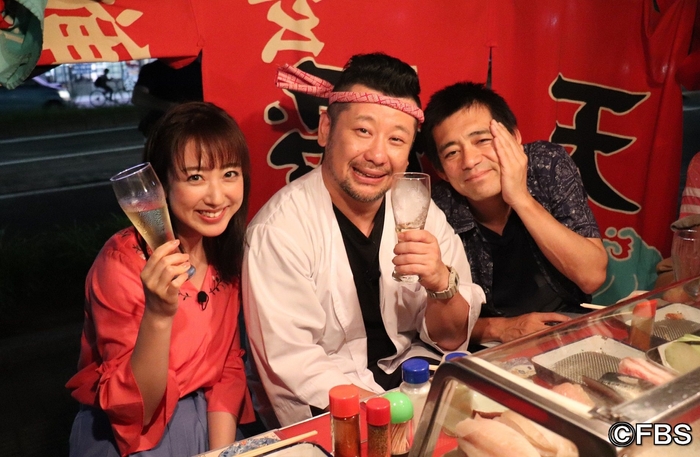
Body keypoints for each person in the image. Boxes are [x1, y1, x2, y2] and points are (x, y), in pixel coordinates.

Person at [242, 53, 485, 427]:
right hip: (337, 411)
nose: (377, 155)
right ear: (326, 129)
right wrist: (396, 418)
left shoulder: (418, 210)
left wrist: (441, 284)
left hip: (413, 384)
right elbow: (295, 366)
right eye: (363, 131)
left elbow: (451, 338)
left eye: (396, 139)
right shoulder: (279, 231)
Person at [67, 102, 255, 457]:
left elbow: (227, 367)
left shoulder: (225, 251)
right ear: (160, 185)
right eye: (195, 177)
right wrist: (158, 313)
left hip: (213, 424)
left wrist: (221, 454)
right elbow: (134, 409)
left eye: (230, 173)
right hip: (131, 436)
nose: (217, 196)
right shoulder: (121, 263)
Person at [422, 82, 607, 346]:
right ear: (441, 170)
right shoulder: (438, 207)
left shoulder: (545, 165)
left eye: (482, 140)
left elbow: (592, 276)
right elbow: (437, 328)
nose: (470, 160)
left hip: (568, 326)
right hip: (486, 347)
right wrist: (502, 329)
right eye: (452, 152)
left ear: (515, 137)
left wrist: (520, 198)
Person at [131, 57, 204, 137]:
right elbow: (138, 97)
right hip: (167, 128)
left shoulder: (152, 69)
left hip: (187, 126)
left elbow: (138, 97)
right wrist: (172, 107)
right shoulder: (152, 69)